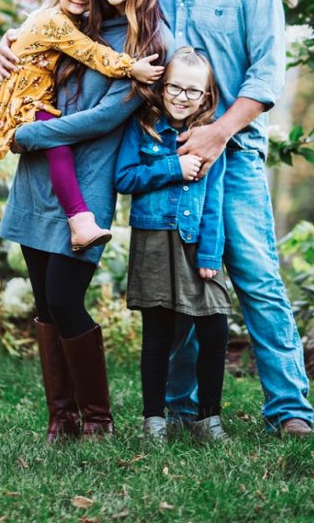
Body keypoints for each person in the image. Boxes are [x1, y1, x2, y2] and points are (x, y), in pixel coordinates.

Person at [0, 0, 314, 436]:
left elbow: (268, 75)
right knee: (171, 289)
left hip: (230, 154)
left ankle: (289, 411)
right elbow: (72, 13)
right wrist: (13, 42)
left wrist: (218, 133)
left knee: (256, 276)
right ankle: (179, 409)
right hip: (158, 156)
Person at [0, 0, 170, 441]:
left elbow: (102, 119)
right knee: (45, 303)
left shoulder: (149, 45)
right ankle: (61, 420)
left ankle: (98, 420)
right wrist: (4, 43)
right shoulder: (79, 23)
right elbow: (31, 48)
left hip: (85, 184)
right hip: (38, 178)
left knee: (66, 297)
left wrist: (28, 133)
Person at [0, 0, 163, 252]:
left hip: (39, 107)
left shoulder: (82, 23)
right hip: (29, 102)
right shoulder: (58, 23)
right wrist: (131, 68)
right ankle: (79, 218)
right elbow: (90, 53)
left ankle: (79, 218)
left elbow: (106, 115)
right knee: (58, 148)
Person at [115, 47, 231, 442]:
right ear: (161, 86)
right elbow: (124, 177)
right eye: (175, 87)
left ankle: (207, 419)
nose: (182, 97)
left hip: (196, 242)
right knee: (159, 332)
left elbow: (214, 202)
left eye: (193, 91)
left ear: (206, 96)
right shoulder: (142, 126)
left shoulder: (212, 139)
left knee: (214, 327)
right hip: (153, 241)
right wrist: (172, 168)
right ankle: (154, 421)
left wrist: (211, 253)